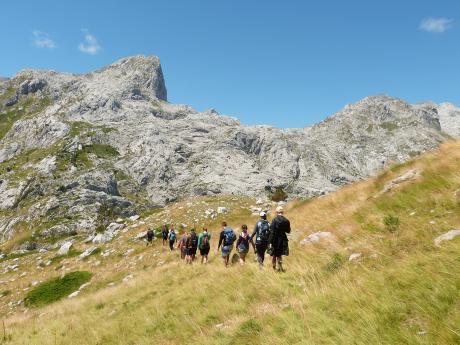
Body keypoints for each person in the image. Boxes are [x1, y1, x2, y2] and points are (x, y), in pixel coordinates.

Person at [269, 206, 291, 272]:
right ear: (282, 212)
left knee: (274, 255)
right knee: (279, 255)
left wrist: (270, 242)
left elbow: (272, 232)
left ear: (276, 212)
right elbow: (288, 231)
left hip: (275, 239)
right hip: (283, 239)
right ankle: (280, 268)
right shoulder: (286, 220)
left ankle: (274, 268)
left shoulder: (274, 220)